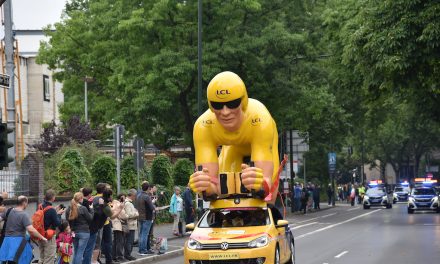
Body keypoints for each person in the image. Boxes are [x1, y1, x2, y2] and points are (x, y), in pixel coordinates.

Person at [188, 71, 280, 203]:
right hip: (233, 148)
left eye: (233, 104)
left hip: (259, 139)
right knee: (225, 192)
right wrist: (205, 186)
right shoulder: (203, 126)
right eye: (217, 105)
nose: (225, 112)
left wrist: (260, 185)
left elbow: (265, 184)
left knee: (265, 198)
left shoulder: (260, 120)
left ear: (243, 101)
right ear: (210, 106)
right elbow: (212, 191)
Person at [0, 196, 47, 263]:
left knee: (9, 261)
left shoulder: (8, 210)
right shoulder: (23, 215)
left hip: (7, 241)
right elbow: (31, 230)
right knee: (19, 261)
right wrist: (42, 237)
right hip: (17, 242)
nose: (27, 204)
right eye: (27, 202)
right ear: (24, 203)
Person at [38, 189, 66, 264]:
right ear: (53, 198)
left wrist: (55, 211)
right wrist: (59, 214)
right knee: (49, 258)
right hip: (48, 236)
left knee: (42, 257)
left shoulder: (40, 206)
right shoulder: (52, 210)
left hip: (40, 234)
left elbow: (45, 218)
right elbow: (57, 223)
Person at [66, 192, 94, 264]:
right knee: (80, 252)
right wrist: (91, 210)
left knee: (76, 251)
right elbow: (90, 219)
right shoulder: (83, 208)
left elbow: (67, 219)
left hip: (74, 232)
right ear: (81, 199)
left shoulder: (69, 209)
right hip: (84, 232)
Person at [135, 182, 155, 255]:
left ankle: (140, 250)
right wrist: (153, 203)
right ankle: (143, 250)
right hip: (147, 217)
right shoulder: (146, 196)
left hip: (139, 217)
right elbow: (152, 207)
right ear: (148, 188)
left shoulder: (138, 195)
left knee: (140, 234)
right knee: (145, 234)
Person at [111, 194, 128, 262]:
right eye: (123, 199)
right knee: (120, 242)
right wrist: (127, 215)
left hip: (114, 225)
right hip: (119, 225)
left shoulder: (112, 204)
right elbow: (124, 215)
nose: (124, 200)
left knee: (115, 242)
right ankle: (120, 256)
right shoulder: (119, 205)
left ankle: (114, 256)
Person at [123, 189, 138, 261]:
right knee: (129, 241)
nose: (135, 197)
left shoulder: (128, 202)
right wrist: (136, 213)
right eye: (135, 196)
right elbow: (129, 214)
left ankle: (127, 254)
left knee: (129, 240)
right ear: (132, 195)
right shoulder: (128, 203)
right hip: (130, 224)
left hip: (131, 224)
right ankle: (127, 255)